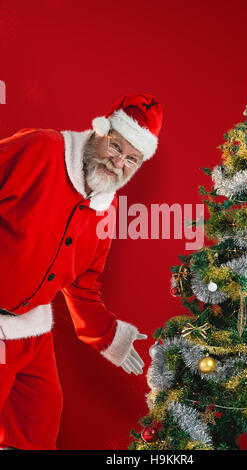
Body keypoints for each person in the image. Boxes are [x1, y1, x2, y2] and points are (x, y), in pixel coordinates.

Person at [0, 93, 163, 450]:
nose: (118, 163)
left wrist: (110, 335)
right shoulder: (41, 149)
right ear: (101, 130)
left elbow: (83, 286)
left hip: (32, 332)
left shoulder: (107, 207)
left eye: (131, 159)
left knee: (38, 428)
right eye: (116, 147)